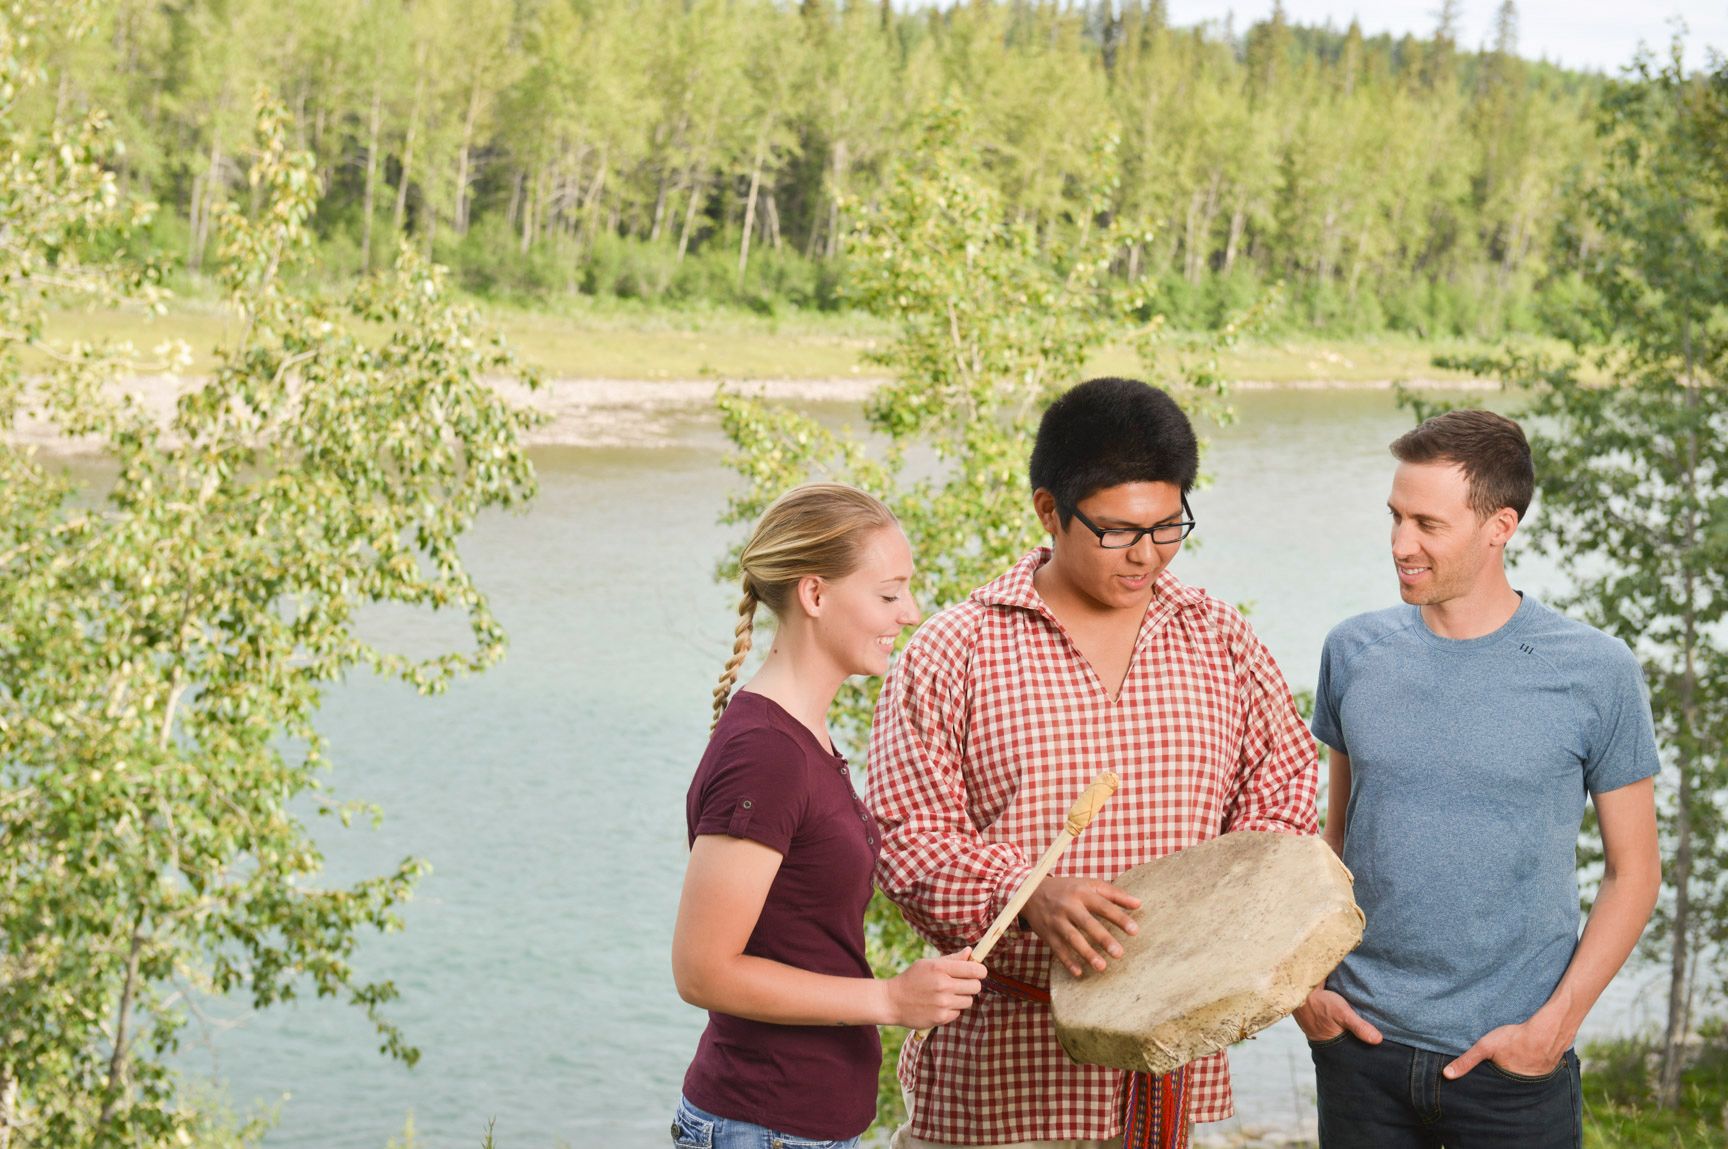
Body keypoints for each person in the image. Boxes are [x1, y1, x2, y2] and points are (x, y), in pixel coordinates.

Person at [866, 378, 1320, 1149]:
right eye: (1117, 530)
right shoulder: (954, 651)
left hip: (1165, 1076)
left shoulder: (1222, 642)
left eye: (1169, 525)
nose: (1147, 554)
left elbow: (1282, 798)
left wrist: (1225, 918)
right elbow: (905, 841)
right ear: (1049, 510)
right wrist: (1028, 892)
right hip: (999, 1091)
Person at [1294, 409, 1661, 1148]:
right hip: (1360, 1051)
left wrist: (1552, 1029)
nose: (1401, 544)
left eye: (1428, 524)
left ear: (1500, 525)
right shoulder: (1353, 651)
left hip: (1513, 1071)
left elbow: (1635, 871)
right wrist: (1307, 989)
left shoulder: (1596, 671)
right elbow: (1326, 840)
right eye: (1395, 517)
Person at [670, 482, 988, 1149]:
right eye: (889, 592)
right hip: (762, 1126)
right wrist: (891, 1000)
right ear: (814, 595)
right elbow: (702, 968)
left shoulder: (801, 735)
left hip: (791, 1125)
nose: (911, 611)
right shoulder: (768, 753)